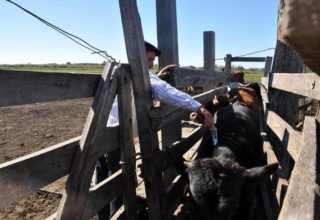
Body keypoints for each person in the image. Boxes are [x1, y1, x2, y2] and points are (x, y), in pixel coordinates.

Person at [95, 41, 214, 219]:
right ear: (138, 57)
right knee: (118, 182)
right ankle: (115, 215)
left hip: (99, 133)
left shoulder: (121, 69)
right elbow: (167, 92)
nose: (151, 64)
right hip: (117, 136)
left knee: (102, 179)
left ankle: (102, 216)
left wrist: (155, 75)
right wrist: (199, 107)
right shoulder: (142, 75)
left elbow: (146, 84)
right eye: (149, 59)